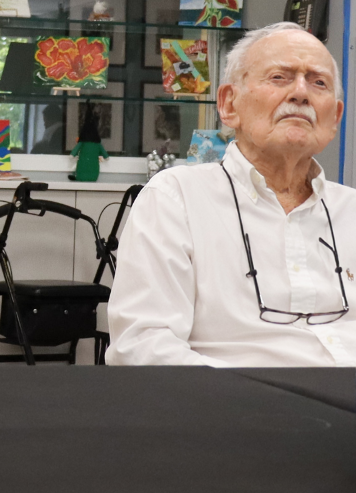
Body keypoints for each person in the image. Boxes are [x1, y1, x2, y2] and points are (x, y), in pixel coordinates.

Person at [108, 22, 354, 367]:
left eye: (318, 83)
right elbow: (142, 346)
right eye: (279, 77)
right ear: (228, 104)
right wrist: (263, 395)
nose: (301, 93)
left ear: (335, 118)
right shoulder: (176, 200)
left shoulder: (351, 211)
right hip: (234, 398)